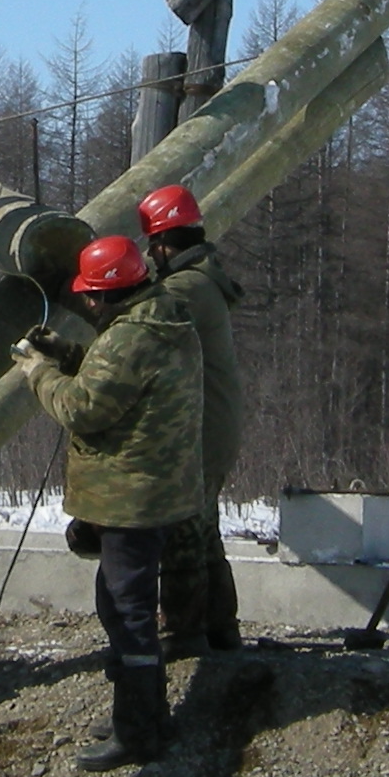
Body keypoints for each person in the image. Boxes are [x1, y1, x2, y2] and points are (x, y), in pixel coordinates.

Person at [13, 233, 206, 771]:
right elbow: (116, 376)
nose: (88, 304)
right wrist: (65, 351)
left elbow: (83, 407)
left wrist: (38, 373)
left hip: (132, 498)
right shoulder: (161, 319)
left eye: (93, 296)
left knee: (127, 613)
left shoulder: (129, 338)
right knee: (123, 604)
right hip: (155, 490)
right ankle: (138, 711)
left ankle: (140, 732)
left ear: (114, 294)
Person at [138, 183, 247, 655]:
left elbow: (137, 336)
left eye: (151, 246)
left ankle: (183, 635)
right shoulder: (206, 277)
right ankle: (221, 628)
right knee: (205, 531)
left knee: (182, 533)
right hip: (215, 425)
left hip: (196, 430)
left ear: (163, 243)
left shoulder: (183, 288)